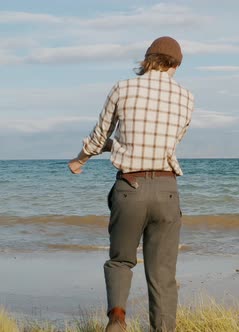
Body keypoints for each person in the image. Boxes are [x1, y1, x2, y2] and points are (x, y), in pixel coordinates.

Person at [68, 36, 194, 332]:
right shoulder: (186, 97)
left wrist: (80, 160)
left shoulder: (123, 89)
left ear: (148, 60)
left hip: (130, 186)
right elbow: (170, 143)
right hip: (167, 189)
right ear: (176, 64)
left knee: (120, 261)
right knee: (163, 274)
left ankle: (117, 320)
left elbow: (100, 138)